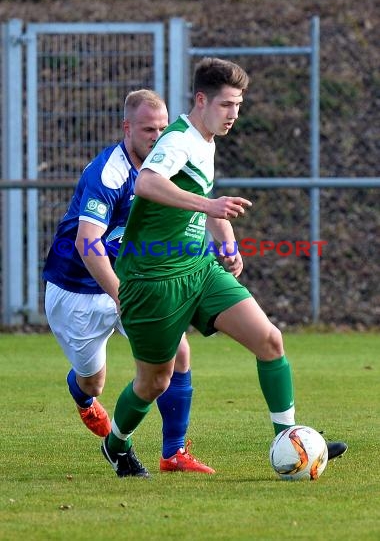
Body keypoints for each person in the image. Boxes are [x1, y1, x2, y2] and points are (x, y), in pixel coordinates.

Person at [101, 57, 348, 478]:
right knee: (154, 382)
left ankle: (290, 441)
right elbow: (146, 183)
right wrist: (209, 205)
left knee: (270, 340)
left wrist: (228, 243)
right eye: (227, 104)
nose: (235, 114)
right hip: (152, 281)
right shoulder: (177, 139)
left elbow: (203, 197)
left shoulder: (205, 139)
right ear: (202, 100)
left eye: (239, 104)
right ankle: (116, 443)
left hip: (198, 270)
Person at [43, 89, 215, 474]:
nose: (157, 136)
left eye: (161, 127)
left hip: (131, 279)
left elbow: (192, 208)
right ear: (127, 128)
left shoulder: (168, 163)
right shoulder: (110, 173)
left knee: (179, 352)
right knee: (93, 382)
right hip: (77, 289)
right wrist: (120, 294)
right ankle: (83, 398)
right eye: (147, 129)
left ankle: (173, 453)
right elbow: (88, 244)